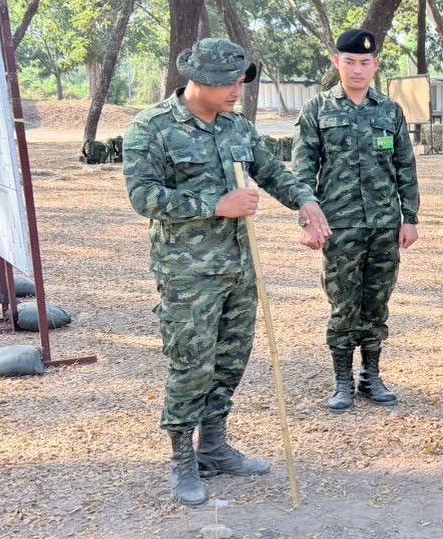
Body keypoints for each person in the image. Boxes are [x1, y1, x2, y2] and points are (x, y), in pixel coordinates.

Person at [124, 37, 331, 507]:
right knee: (191, 364)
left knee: (231, 359)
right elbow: (143, 196)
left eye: (240, 80)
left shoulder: (237, 127)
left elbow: (273, 172)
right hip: (189, 273)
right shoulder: (152, 128)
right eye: (228, 83)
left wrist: (306, 202)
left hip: (241, 266)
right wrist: (215, 206)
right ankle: (182, 458)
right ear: (196, 81)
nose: (238, 89)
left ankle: (213, 446)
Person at [292, 28, 420, 413]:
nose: (357, 69)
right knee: (343, 303)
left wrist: (409, 217)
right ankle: (343, 380)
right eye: (349, 62)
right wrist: (307, 222)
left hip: (383, 225)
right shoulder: (317, 109)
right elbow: (303, 172)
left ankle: (371, 376)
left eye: (365, 63)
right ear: (337, 63)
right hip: (339, 225)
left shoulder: (390, 111)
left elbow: (405, 168)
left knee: (376, 302)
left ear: (376, 65)